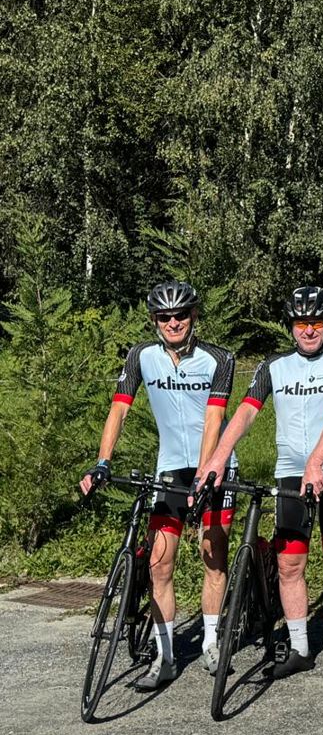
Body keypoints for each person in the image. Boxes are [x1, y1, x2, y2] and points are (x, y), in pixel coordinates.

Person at [79, 281, 237, 689]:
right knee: (159, 564)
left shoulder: (218, 358)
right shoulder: (141, 357)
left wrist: (206, 474)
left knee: (211, 555)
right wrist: (102, 462)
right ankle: (164, 656)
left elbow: (213, 420)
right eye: (165, 317)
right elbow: (118, 411)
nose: (173, 323)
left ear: (194, 316)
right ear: (154, 320)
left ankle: (212, 642)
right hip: (169, 470)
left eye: (181, 315)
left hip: (215, 468)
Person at [200, 285, 323, 678]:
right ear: (290, 326)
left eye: (317, 323)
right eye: (301, 323)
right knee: (290, 563)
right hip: (290, 472)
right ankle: (300, 648)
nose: (309, 331)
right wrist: (218, 459)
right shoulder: (273, 365)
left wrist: (317, 462)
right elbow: (247, 411)